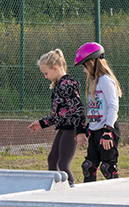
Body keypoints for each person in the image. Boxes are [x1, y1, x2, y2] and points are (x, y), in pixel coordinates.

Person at [28, 49, 86, 185]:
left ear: (55, 68)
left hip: (71, 129)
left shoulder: (67, 84)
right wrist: (41, 123)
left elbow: (78, 108)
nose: (45, 77)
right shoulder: (59, 85)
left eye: (46, 73)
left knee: (63, 164)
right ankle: (54, 187)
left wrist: (81, 131)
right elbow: (59, 114)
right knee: (52, 159)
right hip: (63, 129)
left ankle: (70, 187)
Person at [74, 42, 123, 181]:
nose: (84, 70)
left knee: (108, 168)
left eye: (84, 66)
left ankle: (118, 198)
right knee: (88, 167)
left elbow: (113, 106)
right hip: (96, 131)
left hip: (107, 131)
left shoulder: (106, 80)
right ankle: (88, 199)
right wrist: (87, 129)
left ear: (91, 63)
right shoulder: (94, 82)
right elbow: (95, 110)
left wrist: (108, 131)